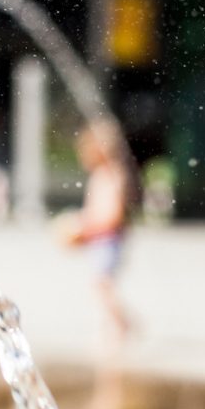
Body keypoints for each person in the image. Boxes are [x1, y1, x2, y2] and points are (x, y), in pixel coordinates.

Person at [57, 119, 138, 349]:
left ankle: (122, 325)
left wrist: (84, 229)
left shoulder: (112, 176)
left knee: (101, 285)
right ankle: (113, 327)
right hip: (102, 240)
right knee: (101, 285)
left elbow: (113, 216)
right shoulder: (102, 175)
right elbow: (96, 212)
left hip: (108, 240)